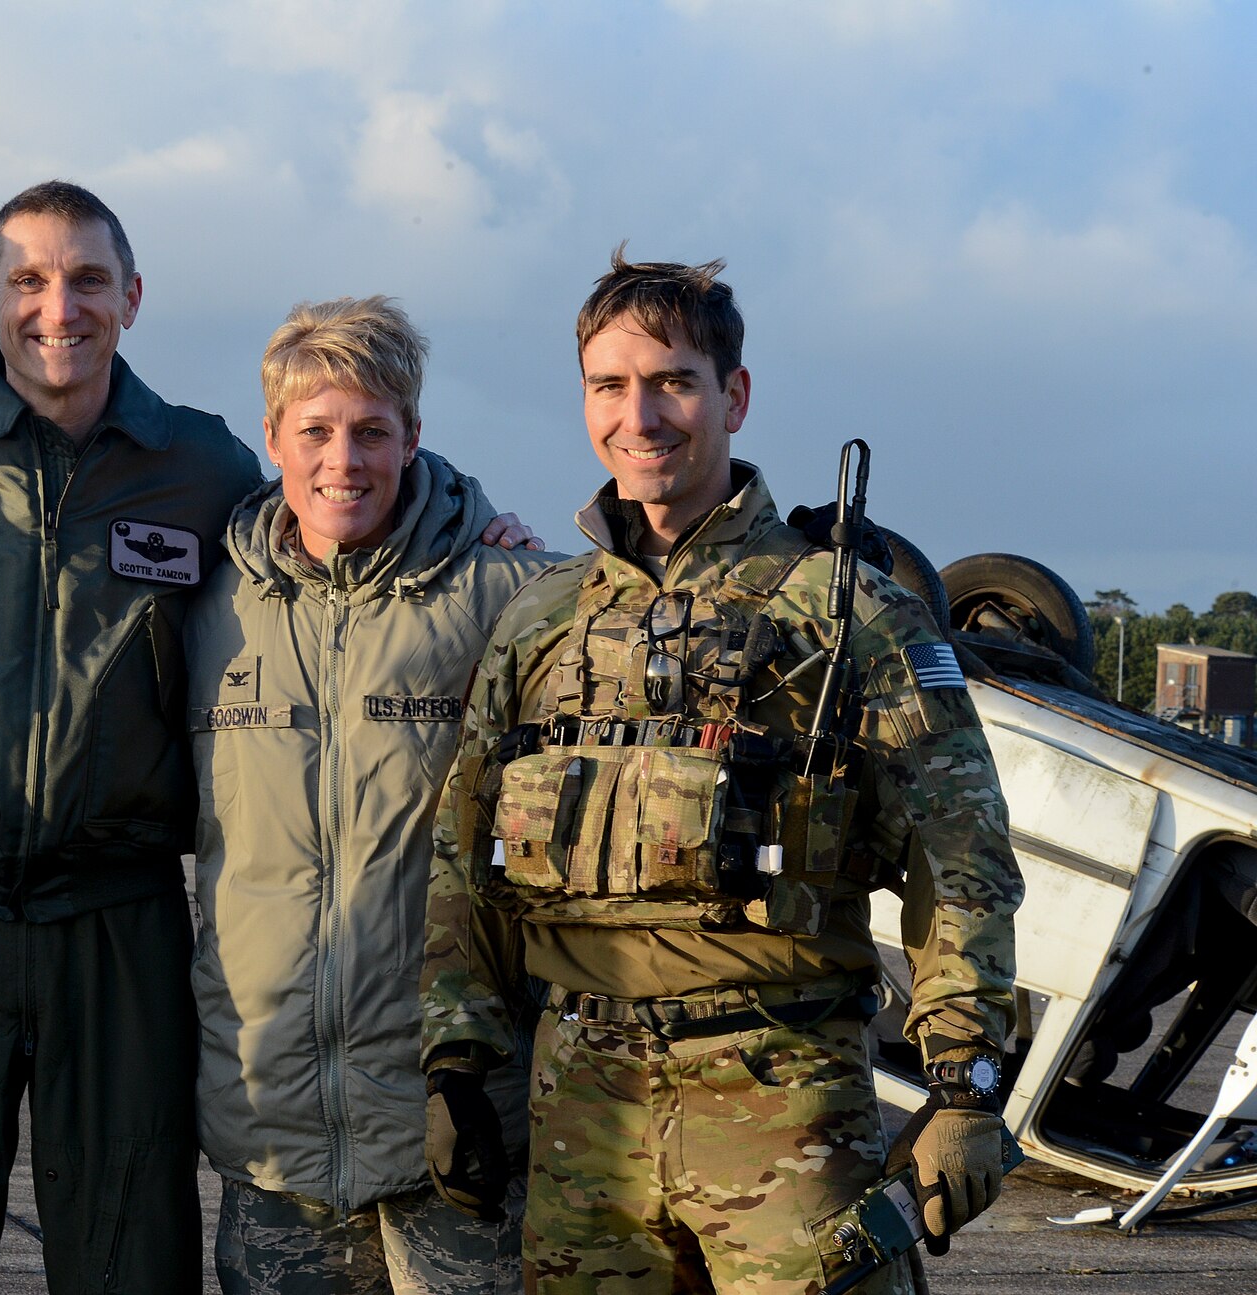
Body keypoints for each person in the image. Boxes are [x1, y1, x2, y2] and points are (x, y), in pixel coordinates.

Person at [0, 183, 537, 1294]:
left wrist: (474, 514)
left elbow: (350, 510)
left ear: (132, 296)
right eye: (28, 280)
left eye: (88, 278)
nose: (59, 306)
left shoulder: (198, 468)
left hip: (115, 910)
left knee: (128, 1254)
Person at [420, 251, 1024, 1293]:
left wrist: (962, 1086)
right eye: (608, 385)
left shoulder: (843, 615)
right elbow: (461, 858)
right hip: (580, 1111)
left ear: (732, 395)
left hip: (783, 1102)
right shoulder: (540, 620)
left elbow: (958, 855)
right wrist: (457, 1060)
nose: (639, 416)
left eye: (671, 381)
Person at [185, 296, 556, 1294]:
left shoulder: (503, 591)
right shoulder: (205, 608)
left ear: (412, 438)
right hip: (270, 1128)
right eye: (313, 430)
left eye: (369, 431)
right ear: (271, 437)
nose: (340, 459)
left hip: (449, 1117)